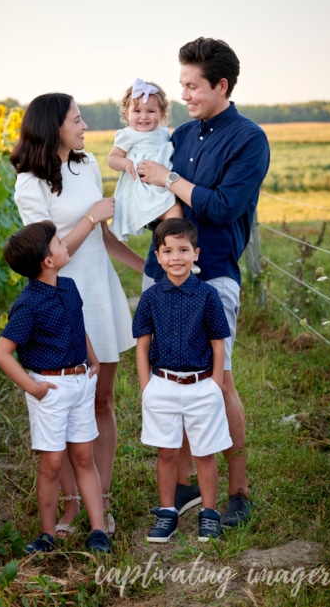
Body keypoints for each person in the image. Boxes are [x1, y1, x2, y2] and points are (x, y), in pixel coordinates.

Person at [137, 37, 270, 527]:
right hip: (162, 277)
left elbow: (221, 207)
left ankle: (237, 492)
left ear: (221, 85)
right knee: (178, 376)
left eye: (193, 86)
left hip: (213, 276)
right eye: (182, 85)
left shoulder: (249, 139)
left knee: (219, 382)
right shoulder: (182, 136)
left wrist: (169, 180)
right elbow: (151, 197)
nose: (185, 94)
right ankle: (193, 481)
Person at [9, 93, 145, 538]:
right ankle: (68, 507)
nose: (85, 126)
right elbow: (50, 253)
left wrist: (148, 268)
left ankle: (98, 503)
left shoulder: (85, 166)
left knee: (100, 401)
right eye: (77, 119)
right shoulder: (30, 184)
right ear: (53, 127)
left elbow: (102, 239)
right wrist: (90, 216)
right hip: (59, 301)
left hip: (99, 294)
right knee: (65, 406)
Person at [0, 220, 111, 554]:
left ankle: (98, 530)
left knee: (84, 456)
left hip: (81, 381)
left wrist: (93, 358)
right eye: (59, 243)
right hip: (51, 389)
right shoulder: (28, 304)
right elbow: (2, 352)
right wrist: (34, 387)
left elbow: (78, 325)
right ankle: (46, 534)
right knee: (53, 463)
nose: (65, 246)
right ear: (47, 260)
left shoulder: (69, 287)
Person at [133, 219, 232, 542]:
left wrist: (216, 384)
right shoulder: (151, 298)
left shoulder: (207, 296)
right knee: (167, 452)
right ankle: (167, 513)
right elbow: (143, 344)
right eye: (168, 251)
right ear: (158, 257)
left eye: (183, 250)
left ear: (196, 253)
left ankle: (210, 512)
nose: (176, 257)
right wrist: (146, 385)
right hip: (162, 384)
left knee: (205, 452)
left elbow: (218, 342)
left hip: (202, 385)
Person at [108, 78, 183, 241]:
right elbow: (112, 159)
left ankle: (169, 247)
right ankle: (173, 248)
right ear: (126, 114)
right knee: (175, 211)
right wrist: (126, 163)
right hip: (143, 188)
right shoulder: (127, 135)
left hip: (163, 183)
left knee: (179, 212)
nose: (144, 117)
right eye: (137, 111)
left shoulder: (164, 133)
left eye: (150, 111)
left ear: (162, 113)